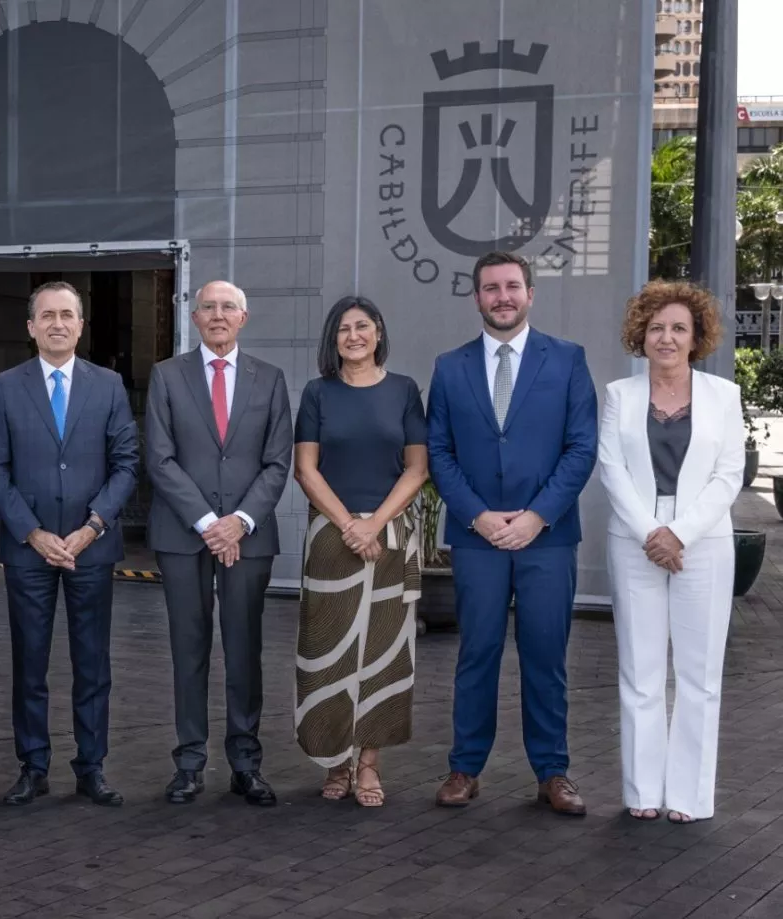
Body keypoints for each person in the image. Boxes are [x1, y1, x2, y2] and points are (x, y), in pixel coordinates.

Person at [426, 251, 597, 815]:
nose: (502, 296)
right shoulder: (450, 367)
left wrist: (536, 515)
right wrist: (477, 515)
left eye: (512, 286)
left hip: (546, 537)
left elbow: (581, 448)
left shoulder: (568, 360)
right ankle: (464, 767)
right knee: (476, 652)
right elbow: (440, 452)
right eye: (491, 288)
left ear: (530, 293)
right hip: (477, 539)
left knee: (545, 655)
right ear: (477, 297)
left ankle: (552, 771)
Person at [0, 281, 138, 808]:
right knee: (30, 663)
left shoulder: (109, 385)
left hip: (91, 546)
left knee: (92, 664)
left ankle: (91, 766)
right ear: (30, 327)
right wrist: (32, 532)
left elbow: (126, 465)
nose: (57, 324)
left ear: (80, 325)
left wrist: (92, 526)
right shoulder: (5, 387)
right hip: (30, 550)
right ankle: (33, 765)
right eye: (46, 315)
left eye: (67, 315)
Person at [145, 280, 293, 807]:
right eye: (207, 306)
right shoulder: (166, 376)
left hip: (248, 539)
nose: (217, 314)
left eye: (228, 307)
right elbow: (159, 458)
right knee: (189, 650)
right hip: (184, 537)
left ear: (244, 317)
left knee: (244, 650)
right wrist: (211, 522)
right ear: (194, 317)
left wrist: (240, 522)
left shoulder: (270, 380)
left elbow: (278, 462)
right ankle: (189, 763)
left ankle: (246, 764)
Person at [599, 281, 743, 824]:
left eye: (679, 328)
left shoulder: (723, 396)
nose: (667, 337)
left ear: (696, 336)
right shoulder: (620, 395)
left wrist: (679, 533)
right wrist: (650, 533)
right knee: (640, 671)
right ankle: (642, 792)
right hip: (635, 538)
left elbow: (729, 475)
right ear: (641, 335)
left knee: (699, 674)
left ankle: (688, 796)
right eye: (656, 327)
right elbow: (611, 469)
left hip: (702, 541)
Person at [293, 296, 427, 808]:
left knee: (383, 655)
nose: (353, 335)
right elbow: (306, 469)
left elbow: (416, 468)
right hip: (332, 536)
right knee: (326, 651)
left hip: (389, 536)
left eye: (363, 326)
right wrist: (349, 523)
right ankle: (334, 762)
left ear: (378, 332)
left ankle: (368, 765)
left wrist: (375, 521)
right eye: (343, 328)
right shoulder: (317, 393)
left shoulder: (403, 391)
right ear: (333, 339)